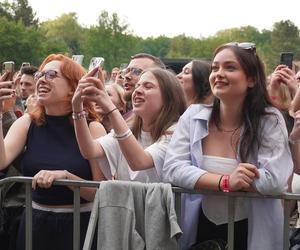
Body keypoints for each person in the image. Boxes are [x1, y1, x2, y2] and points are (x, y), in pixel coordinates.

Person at [162, 42, 293, 250]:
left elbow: (274, 180)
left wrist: (207, 179)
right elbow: (172, 168)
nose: (219, 74)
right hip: (198, 229)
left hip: (252, 231)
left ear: (251, 79)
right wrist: (225, 182)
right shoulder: (192, 115)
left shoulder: (270, 120)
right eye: (215, 68)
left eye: (230, 68)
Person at [0, 54, 106, 250]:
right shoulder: (27, 122)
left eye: (51, 74)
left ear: (73, 87)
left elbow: (101, 192)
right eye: (40, 74)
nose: (41, 79)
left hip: (79, 228)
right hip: (34, 226)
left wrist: (66, 177)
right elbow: (1, 160)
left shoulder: (93, 129)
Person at [72, 67, 186, 182]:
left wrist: (110, 107)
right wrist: (77, 107)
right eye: (137, 86)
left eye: (148, 86)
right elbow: (89, 150)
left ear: (169, 97)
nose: (138, 91)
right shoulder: (129, 130)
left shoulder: (176, 133)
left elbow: (139, 162)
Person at [122, 53, 166, 126]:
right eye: (127, 71)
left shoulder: (171, 130)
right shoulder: (128, 117)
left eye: (136, 71)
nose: (127, 76)